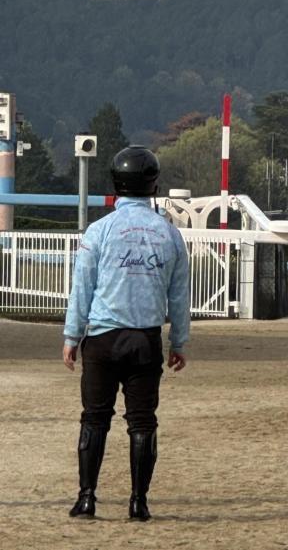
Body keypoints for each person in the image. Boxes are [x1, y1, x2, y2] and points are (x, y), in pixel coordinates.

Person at [62, 145, 191, 522]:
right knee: (142, 422)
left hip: (102, 338)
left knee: (94, 418)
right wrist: (179, 342)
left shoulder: (99, 231)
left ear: (116, 184)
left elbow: (81, 287)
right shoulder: (169, 236)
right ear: (153, 185)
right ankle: (139, 501)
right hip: (145, 340)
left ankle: (87, 498)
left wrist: (72, 336)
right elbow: (179, 297)